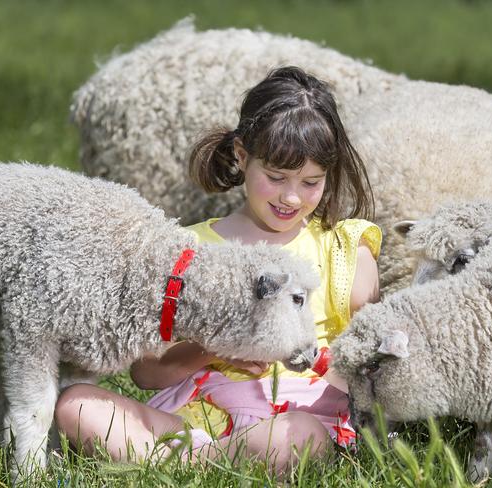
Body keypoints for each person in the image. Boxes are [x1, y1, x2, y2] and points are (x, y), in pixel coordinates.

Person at [54, 66, 381, 471]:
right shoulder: (190, 250)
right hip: (194, 418)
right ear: (242, 157)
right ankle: (214, 460)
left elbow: (371, 367)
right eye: (276, 177)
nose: (292, 197)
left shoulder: (344, 250)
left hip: (297, 420)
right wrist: (214, 348)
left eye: (311, 182)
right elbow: (147, 374)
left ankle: (187, 465)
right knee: (76, 404)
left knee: (298, 437)